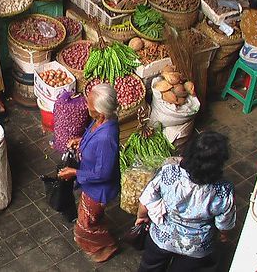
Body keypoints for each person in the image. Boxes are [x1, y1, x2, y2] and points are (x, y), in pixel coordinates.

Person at [136, 131, 236, 272]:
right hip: (196, 247)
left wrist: (141, 217)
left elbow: (147, 198)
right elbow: (224, 224)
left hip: (162, 237)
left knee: (150, 267)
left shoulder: (169, 172)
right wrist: (224, 236)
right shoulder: (224, 189)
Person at [58, 84, 120, 263]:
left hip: (98, 189)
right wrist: (81, 140)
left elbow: (103, 173)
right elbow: (92, 134)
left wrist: (74, 172)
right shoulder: (100, 121)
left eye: (89, 106)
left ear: (101, 113)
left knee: (83, 226)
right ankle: (102, 236)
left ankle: (108, 245)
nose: (86, 106)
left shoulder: (106, 137)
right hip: (91, 184)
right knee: (91, 218)